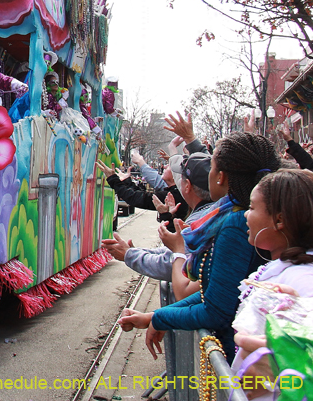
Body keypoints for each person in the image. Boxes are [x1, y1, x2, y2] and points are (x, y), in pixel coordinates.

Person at [118, 132, 281, 362]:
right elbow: (213, 293)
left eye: (212, 166)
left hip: (235, 357)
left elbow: (215, 310)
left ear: (220, 177)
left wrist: (160, 318)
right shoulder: (229, 215)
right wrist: (156, 316)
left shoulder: (234, 223)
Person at [232, 169, 313, 398]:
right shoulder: (281, 267)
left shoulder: (303, 280)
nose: (246, 215)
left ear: (279, 220)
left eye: (252, 207)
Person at [102, 152, 214, 281]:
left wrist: (129, 254)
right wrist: (134, 252)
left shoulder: (197, 219)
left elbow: (172, 261)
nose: (164, 167)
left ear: (187, 185)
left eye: (168, 167)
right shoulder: (203, 210)